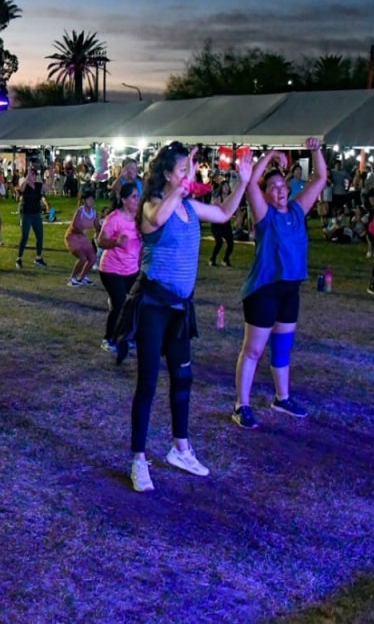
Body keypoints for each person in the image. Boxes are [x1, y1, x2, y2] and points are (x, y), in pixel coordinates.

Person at [122, 142, 254, 493]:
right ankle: (138, 459)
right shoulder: (152, 206)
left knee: (184, 379)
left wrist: (243, 181)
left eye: (190, 170)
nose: (189, 175)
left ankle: (180, 448)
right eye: (183, 170)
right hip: (153, 306)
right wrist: (179, 189)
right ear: (167, 174)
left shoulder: (191, 208)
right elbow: (157, 219)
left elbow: (225, 214)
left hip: (180, 308)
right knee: (147, 383)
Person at [231, 139, 326, 429]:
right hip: (264, 291)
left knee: (282, 347)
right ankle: (241, 405)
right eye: (272, 187)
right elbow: (250, 184)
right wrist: (270, 153)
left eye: (282, 186)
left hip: (289, 289)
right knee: (253, 350)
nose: (280, 190)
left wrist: (315, 150)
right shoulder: (264, 215)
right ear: (267, 194)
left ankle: (281, 398)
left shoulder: (298, 211)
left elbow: (320, 177)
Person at [97, 183, 142, 355]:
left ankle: (126, 337)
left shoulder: (140, 218)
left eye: (138, 196)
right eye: (134, 197)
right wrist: (116, 242)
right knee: (120, 304)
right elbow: (100, 241)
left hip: (131, 269)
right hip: (111, 269)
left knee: (135, 304)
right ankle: (108, 339)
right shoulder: (114, 218)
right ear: (124, 200)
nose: (137, 200)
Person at [16, 165, 50, 269]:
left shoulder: (38, 185)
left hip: (36, 213)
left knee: (40, 236)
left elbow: (48, 187)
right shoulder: (24, 184)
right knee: (25, 236)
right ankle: (19, 258)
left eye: (35, 175)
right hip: (26, 214)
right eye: (32, 174)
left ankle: (38, 258)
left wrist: (51, 176)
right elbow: (21, 189)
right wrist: (27, 178)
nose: (34, 177)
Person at [64, 189, 98, 287]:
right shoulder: (80, 211)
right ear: (84, 201)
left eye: (93, 199)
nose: (92, 201)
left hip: (82, 237)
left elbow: (97, 226)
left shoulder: (94, 212)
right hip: (72, 236)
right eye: (90, 199)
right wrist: (82, 232)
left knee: (93, 258)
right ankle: (72, 278)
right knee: (82, 258)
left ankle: (82, 277)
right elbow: (74, 226)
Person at [208, 178, 236, 267]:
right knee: (219, 242)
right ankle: (212, 259)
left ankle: (225, 259)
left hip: (226, 224)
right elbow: (211, 209)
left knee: (230, 243)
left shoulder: (231, 198)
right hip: (217, 224)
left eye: (227, 186)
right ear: (221, 188)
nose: (226, 188)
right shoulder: (217, 199)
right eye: (224, 186)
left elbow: (236, 210)